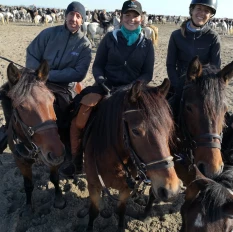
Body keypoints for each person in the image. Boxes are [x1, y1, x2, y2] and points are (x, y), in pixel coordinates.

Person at [60, 0, 155, 177]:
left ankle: (147, 168)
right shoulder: (110, 38)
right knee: (79, 120)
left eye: (135, 16)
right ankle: (76, 161)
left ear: (141, 19)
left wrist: (132, 87)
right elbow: (98, 65)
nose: (131, 19)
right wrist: (102, 80)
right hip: (106, 88)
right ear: (121, 17)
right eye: (127, 15)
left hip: (133, 92)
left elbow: (147, 74)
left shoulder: (147, 44)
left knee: (152, 125)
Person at [0, 2, 92, 166]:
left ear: (82, 20)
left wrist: (48, 76)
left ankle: (67, 150)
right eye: (72, 14)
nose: (74, 18)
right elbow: (32, 53)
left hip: (64, 86)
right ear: (66, 15)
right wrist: (37, 75)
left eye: (78, 16)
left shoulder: (84, 45)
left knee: (64, 113)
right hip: (37, 78)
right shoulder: (48, 33)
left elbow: (79, 72)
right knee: (7, 93)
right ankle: (8, 132)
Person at [166, 0, 220, 117]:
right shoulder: (176, 36)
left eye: (206, 10)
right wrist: (178, 86)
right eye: (199, 9)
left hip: (203, 88)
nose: (201, 13)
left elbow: (216, 68)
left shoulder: (213, 37)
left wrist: (205, 89)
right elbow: (170, 65)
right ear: (191, 10)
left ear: (210, 15)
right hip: (179, 85)